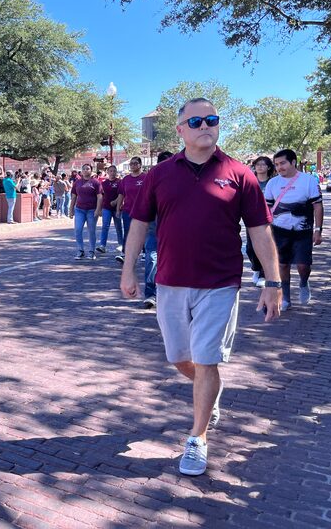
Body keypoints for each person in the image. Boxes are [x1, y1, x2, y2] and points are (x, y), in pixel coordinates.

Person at [120, 98, 282, 477]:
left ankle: (197, 437)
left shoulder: (239, 174)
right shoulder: (160, 174)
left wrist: (272, 281)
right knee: (180, 358)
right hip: (170, 283)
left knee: (207, 360)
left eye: (211, 119)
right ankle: (210, 394)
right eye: (196, 121)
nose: (205, 125)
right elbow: (139, 225)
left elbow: (260, 231)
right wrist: (128, 271)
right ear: (181, 130)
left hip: (220, 284)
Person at [264, 149, 323, 311]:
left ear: (293, 162)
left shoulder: (308, 181)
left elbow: (317, 206)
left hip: (303, 231)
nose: (279, 167)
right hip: (279, 231)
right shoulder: (272, 183)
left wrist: (318, 230)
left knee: (303, 265)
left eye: (282, 163)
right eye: (276, 164)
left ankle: (304, 282)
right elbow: (267, 209)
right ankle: (286, 299)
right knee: (282, 265)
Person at [142, 151, 175, 309]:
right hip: (155, 226)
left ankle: (171, 294)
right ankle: (151, 294)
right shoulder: (153, 179)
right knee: (152, 259)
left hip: (176, 229)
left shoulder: (183, 179)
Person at [246, 156, 275, 288]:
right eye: (258, 165)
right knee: (250, 248)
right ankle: (256, 268)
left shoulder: (273, 182)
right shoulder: (250, 181)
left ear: (268, 167)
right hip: (252, 218)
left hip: (270, 219)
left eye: (263, 165)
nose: (260, 167)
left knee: (267, 246)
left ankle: (263, 274)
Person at [115, 156, 146, 263]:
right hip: (128, 210)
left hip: (143, 210)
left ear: (140, 165)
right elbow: (121, 195)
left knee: (143, 232)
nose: (133, 165)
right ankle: (125, 253)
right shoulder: (126, 179)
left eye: (135, 163)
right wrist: (118, 208)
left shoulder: (146, 177)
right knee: (128, 231)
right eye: (131, 163)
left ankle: (145, 252)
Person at [72, 164, 103, 260]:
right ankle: (80, 250)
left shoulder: (96, 183)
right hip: (79, 209)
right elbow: (74, 196)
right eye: (84, 169)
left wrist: (98, 209)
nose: (85, 170)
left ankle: (91, 251)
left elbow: (100, 197)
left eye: (88, 169)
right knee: (78, 230)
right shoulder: (77, 182)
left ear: (91, 170)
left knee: (91, 231)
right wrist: (70, 209)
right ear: (81, 171)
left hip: (92, 210)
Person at [97, 164, 122, 254]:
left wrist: (116, 202)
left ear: (116, 172)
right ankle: (102, 245)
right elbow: (100, 197)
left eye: (114, 171)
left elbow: (122, 195)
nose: (112, 173)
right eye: (110, 171)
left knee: (118, 227)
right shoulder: (104, 183)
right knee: (105, 226)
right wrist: (99, 209)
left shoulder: (120, 182)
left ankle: (121, 244)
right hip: (106, 208)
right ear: (107, 172)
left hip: (117, 208)